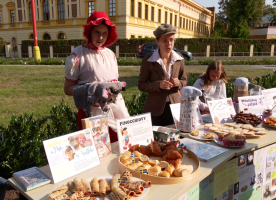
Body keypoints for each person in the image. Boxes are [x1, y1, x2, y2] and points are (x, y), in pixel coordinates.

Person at [64, 11, 130, 143]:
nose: (101, 37)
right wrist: (91, 89)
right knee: (99, 152)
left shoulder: (110, 54)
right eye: (97, 32)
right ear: (89, 32)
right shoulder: (77, 55)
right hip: (92, 114)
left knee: (120, 148)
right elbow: (67, 89)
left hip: (117, 110)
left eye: (104, 33)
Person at [138, 24, 187, 126]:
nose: (169, 44)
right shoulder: (149, 59)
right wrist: (158, 85)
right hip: (155, 109)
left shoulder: (179, 58)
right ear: (157, 41)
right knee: (155, 140)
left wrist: (179, 83)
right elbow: (141, 85)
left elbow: (184, 80)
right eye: (165, 40)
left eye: (171, 40)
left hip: (175, 107)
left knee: (173, 139)